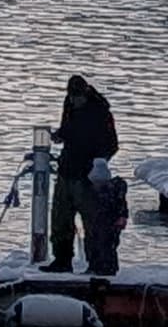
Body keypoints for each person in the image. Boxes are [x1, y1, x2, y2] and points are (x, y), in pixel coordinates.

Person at [47, 72, 118, 271]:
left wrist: (99, 165)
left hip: (87, 174)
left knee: (93, 222)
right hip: (67, 168)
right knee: (60, 218)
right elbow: (67, 129)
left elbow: (112, 144)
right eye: (71, 96)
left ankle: (96, 262)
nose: (73, 100)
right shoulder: (69, 105)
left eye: (76, 97)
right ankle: (62, 260)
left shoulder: (101, 112)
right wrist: (59, 136)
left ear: (85, 94)